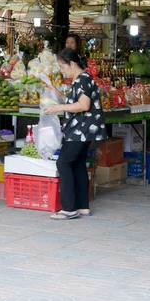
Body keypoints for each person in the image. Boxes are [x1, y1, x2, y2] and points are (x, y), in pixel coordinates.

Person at [43, 48, 107, 220]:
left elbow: (83, 105)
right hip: (82, 131)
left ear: (72, 64)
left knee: (63, 163)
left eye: (63, 67)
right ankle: (82, 206)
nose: (63, 71)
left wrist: (58, 108)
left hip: (82, 131)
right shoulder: (80, 80)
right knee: (77, 165)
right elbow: (74, 101)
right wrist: (57, 94)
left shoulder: (83, 79)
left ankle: (69, 208)